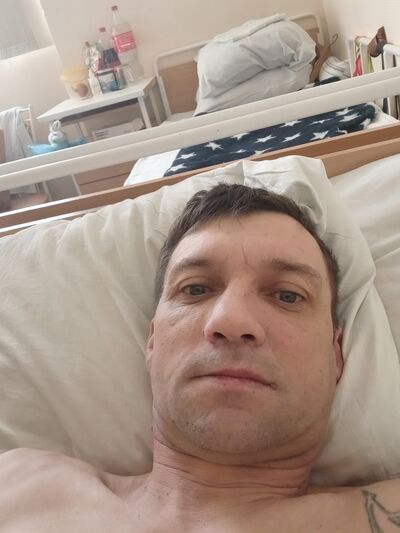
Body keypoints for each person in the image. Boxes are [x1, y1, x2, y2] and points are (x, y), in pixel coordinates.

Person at [0, 183, 398, 532]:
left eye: (287, 295)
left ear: (336, 356)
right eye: (195, 289)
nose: (231, 320)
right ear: (152, 342)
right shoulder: (18, 487)